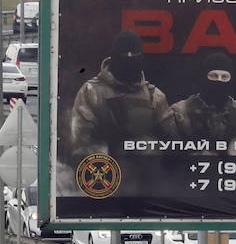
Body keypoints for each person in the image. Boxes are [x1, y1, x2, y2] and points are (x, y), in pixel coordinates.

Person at [68, 29, 170, 161]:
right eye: (124, 53)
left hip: (146, 170)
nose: (129, 57)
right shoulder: (91, 91)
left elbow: (169, 144)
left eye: (134, 53)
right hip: (104, 168)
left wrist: (142, 147)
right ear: (114, 57)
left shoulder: (154, 96)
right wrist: (112, 146)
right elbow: (80, 143)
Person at [161, 51, 236, 144]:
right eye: (213, 76)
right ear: (204, 77)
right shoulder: (180, 111)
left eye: (224, 77)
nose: (219, 80)